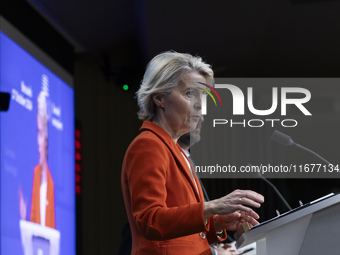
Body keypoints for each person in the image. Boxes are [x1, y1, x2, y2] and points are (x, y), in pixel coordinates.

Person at [121, 51, 264, 254]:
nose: (200, 105)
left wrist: (219, 223)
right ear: (160, 98)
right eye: (190, 94)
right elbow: (150, 221)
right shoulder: (148, 145)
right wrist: (212, 207)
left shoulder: (176, 151)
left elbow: (184, 232)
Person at [178, 117, 242, 255]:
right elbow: (162, 223)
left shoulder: (188, 161)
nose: (200, 118)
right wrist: (214, 252)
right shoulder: (155, 152)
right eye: (192, 114)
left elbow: (190, 225)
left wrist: (217, 224)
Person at [19, 91, 56, 228]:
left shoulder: (50, 183)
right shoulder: (35, 173)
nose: (38, 142)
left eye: (41, 134)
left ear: (46, 141)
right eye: (37, 133)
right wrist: (24, 219)